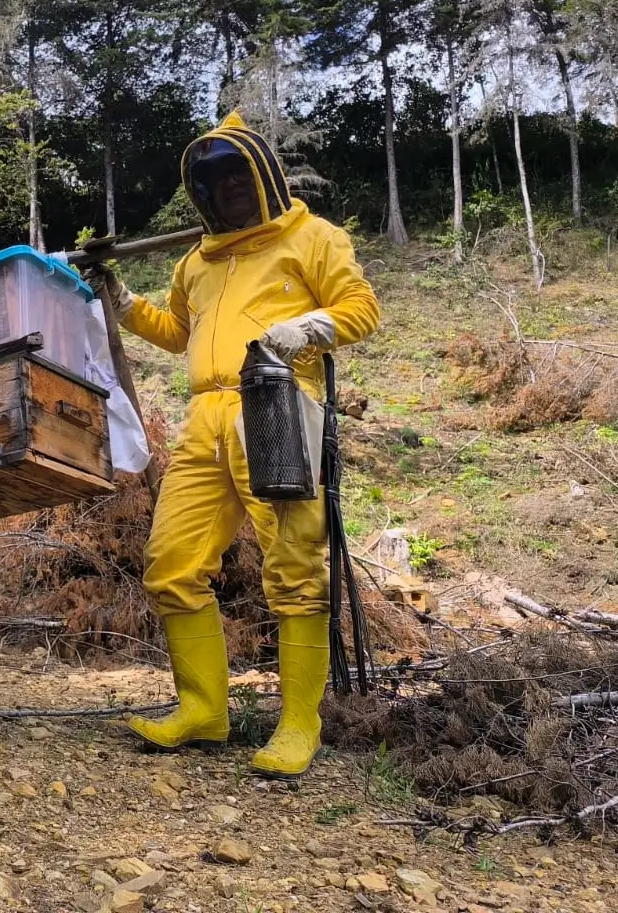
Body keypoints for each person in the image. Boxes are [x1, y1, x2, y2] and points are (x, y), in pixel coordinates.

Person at [84, 112, 380, 780]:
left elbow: (361, 308)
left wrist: (306, 329)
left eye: (238, 179)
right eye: (214, 184)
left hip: (277, 403)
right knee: (170, 562)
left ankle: (300, 722)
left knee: (295, 563)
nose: (229, 193)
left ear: (263, 179)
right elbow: (176, 331)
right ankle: (203, 710)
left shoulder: (313, 238)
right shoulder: (197, 261)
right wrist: (124, 301)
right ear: (202, 195)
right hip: (204, 420)